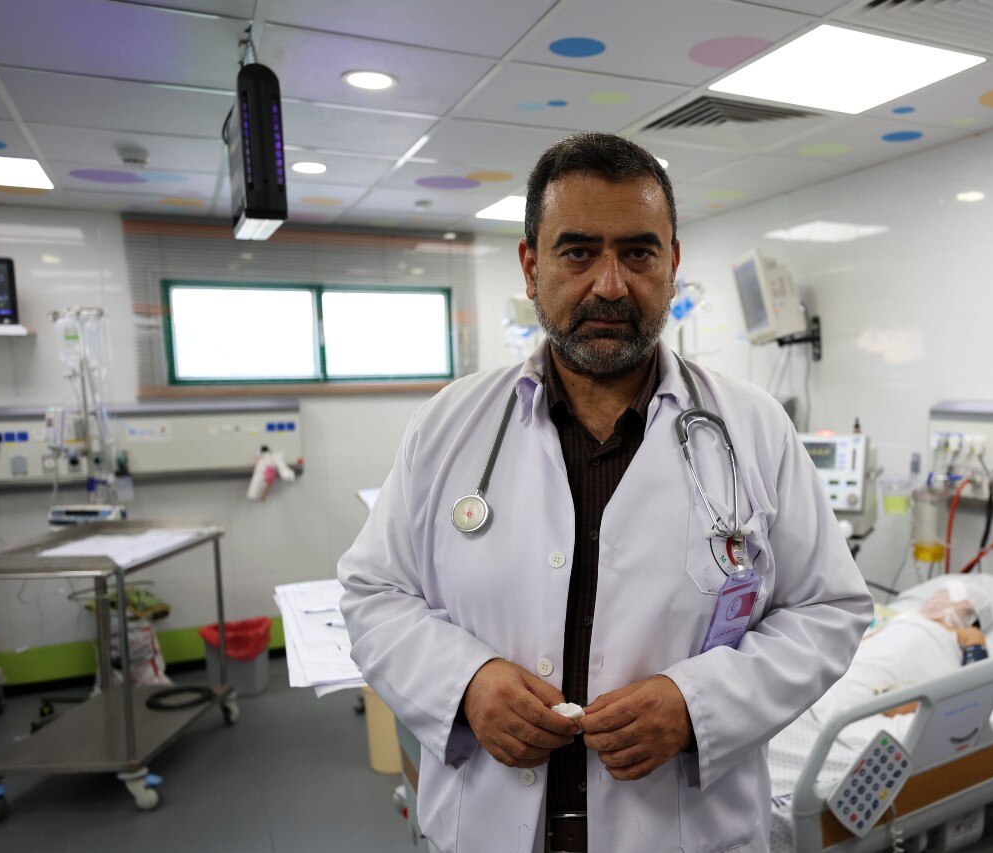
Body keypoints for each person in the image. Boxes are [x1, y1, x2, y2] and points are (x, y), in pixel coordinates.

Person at [338, 132, 872, 853]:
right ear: (532, 265)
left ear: (673, 264)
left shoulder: (755, 429)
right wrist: (466, 683)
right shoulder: (448, 425)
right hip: (488, 826)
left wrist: (698, 705)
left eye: (639, 252)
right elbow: (374, 592)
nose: (611, 284)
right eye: (578, 251)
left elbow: (829, 608)